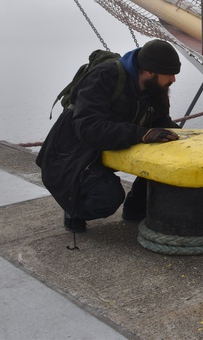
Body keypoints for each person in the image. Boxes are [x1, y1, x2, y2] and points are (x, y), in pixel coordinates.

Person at [37, 39, 182, 233]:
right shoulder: (105, 76)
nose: (173, 79)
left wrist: (181, 138)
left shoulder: (156, 88)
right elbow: (89, 128)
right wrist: (142, 134)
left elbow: (160, 121)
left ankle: (136, 209)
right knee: (106, 198)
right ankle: (75, 210)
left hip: (106, 146)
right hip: (72, 154)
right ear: (149, 71)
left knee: (169, 158)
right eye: (170, 74)